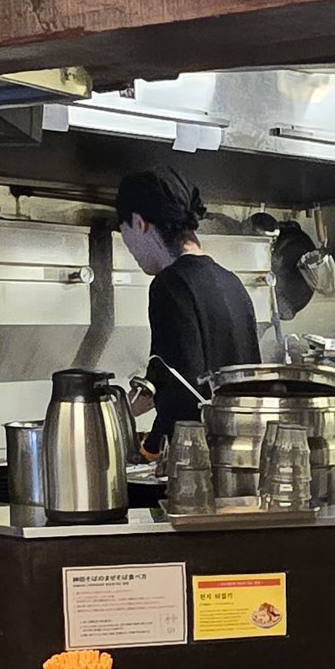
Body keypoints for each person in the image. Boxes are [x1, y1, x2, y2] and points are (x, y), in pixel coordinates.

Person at [116, 166, 260, 456]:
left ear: (139, 223)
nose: (129, 248)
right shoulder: (232, 282)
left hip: (199, 464)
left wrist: (149, 449)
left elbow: (179, 391)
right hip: (244, 455)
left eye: (125, 234)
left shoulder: (169, 284)